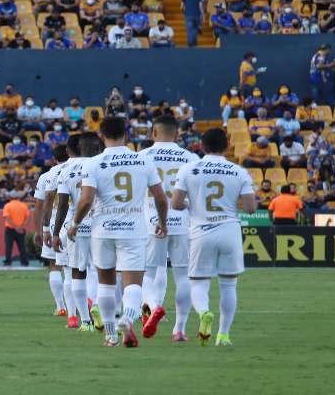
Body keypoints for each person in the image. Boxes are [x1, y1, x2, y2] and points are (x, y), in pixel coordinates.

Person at [68, 116, 169, 348]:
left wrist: (74, 223)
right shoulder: (143, 161)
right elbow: (161, 197)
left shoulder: (92, 163)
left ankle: (111, 335)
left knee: (105, 283)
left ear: (101, 137)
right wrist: (163, 222)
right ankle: (127, 318)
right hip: (133, 229)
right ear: (127, 134)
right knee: (133, 283)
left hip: (102, 230)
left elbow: (85, 201)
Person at [172, 127, 257, 346]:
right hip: (229, 230)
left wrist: (192, 204)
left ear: (200, 146)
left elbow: (176, 203)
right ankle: (223, 335)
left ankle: (204, 313)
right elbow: (250, 208)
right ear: (227, 146)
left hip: (201, 231)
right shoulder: (238, 171)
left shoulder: (188, 169)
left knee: (198, 283)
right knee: (229, 286)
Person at [137, 116, 200, 341]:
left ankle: (154, 307)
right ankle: (179, 330)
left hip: (151, 223)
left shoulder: (141, 157)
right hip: (182, 222)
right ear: (177, 134)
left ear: (153, 132)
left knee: (147, 274)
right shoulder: (190, 158)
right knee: (183, 276)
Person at [53, 132, 105, 333]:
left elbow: (63, 204)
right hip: (100, 225)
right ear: (97, 147)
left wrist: (56, 232)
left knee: (77, 272)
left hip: (76, 227)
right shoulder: (102, 165)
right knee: (103, 271)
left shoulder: (65, 170)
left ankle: (85, 321)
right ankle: (98, 304)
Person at [34, 145, 71, 317]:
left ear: (53, 159)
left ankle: (61, 306)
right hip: (75, 222)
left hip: (53, 223)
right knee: (78, 267)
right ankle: (80, 305)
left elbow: (40, 205)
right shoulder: (81, 168)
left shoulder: (47, 176)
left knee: (54, 266)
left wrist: (39, 230)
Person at [2, 197, 29, 266]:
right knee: (22, 247)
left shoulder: (7, 205)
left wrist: (15, 227)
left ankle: (8, 262)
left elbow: (7, 218)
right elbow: (27, 218)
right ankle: (24, 262)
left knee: (8, 247)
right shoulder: (24, 205)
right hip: (20, 229)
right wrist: (20, 227)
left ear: (10, 198)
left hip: (10, 229)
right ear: (18, 198)